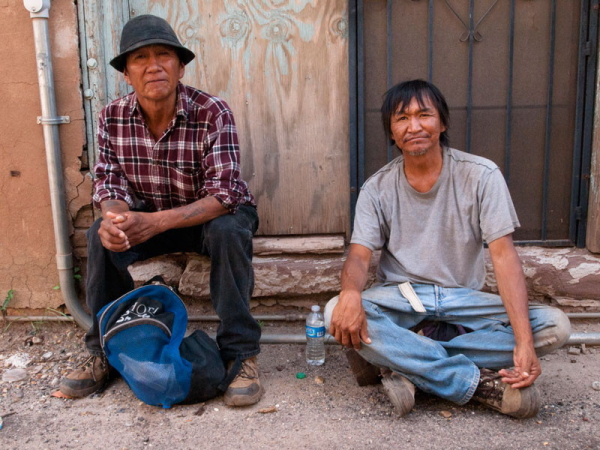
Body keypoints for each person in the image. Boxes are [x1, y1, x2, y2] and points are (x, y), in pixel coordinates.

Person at [326, 79, 570, 419]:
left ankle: (403, 361)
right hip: (403, 296)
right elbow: (359, 254)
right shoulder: (377, 188)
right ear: (392, 133)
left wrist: (524, 342)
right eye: (402, 119)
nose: (414, 126)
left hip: (463, 301)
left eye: (424, 115)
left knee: (555, 326)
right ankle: (476, 383)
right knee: (334, 312)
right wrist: (350, 292)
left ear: (442, 122)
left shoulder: (481, 176)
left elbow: (503, 256)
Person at [60, 15, 263, 407]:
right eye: (140, 59)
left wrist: (154, 223)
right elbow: (108, 183)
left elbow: (224, 194)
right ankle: (103, 351)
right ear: (126, 74)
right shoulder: (111, 117)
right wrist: (116, 219)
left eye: (164, 55)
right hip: (147, 219)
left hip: (208, 218)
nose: (153, 66)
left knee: (230, 230)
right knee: (99, 237)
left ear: (180, 66)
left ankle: (242, 353)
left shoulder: (212, 112)